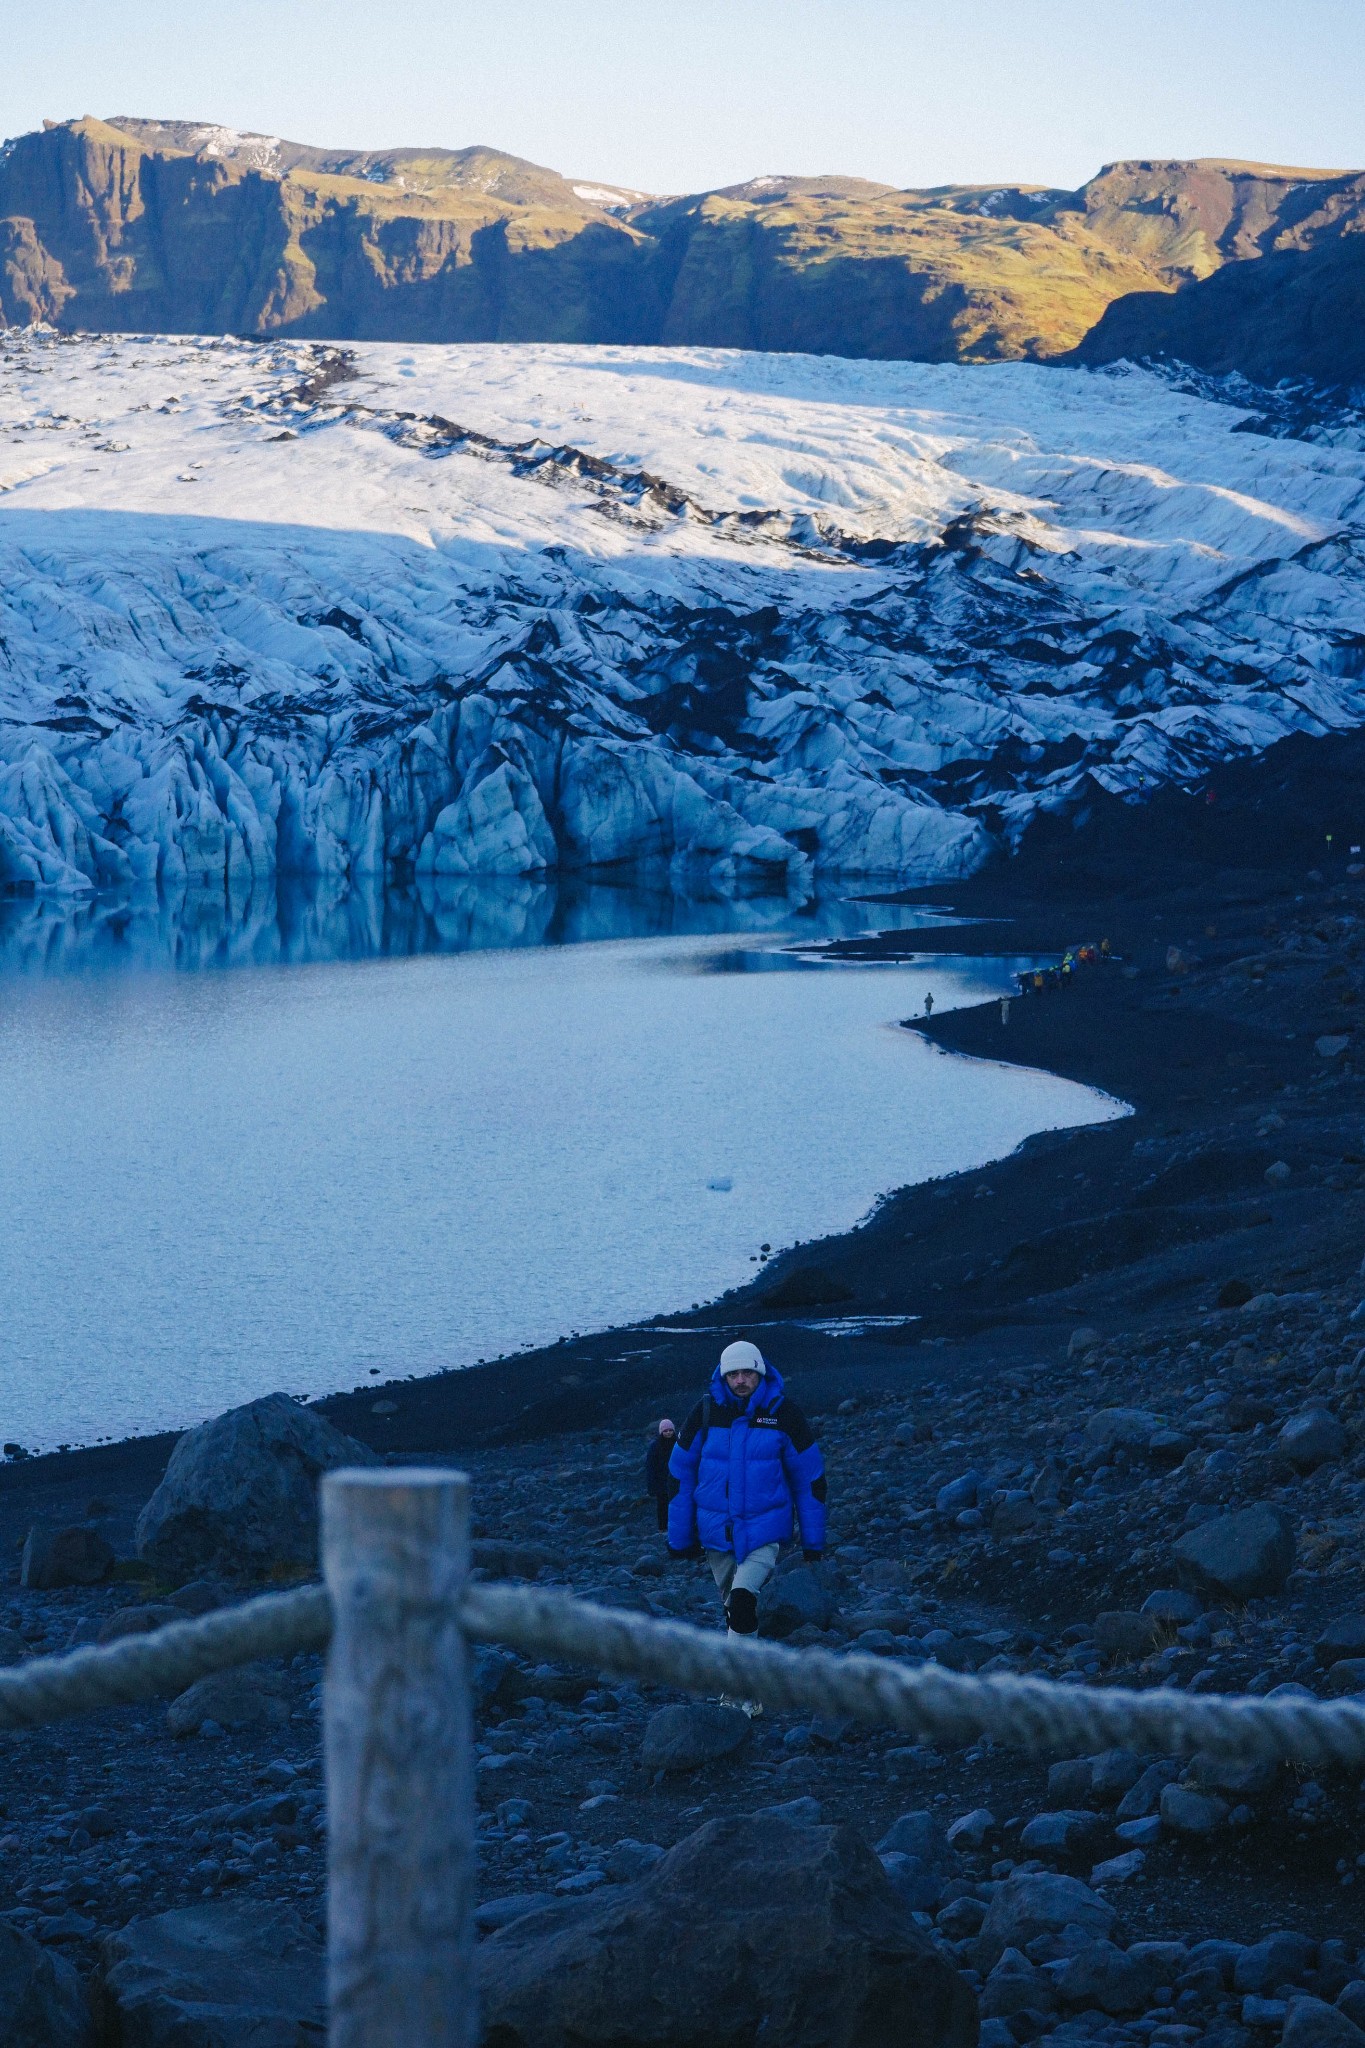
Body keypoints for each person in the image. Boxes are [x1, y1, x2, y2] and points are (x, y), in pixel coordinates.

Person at [667, 1339, 826, 1715]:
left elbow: (810, 1479)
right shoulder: (705, 1411)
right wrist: (679, 1537)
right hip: (716, 1533)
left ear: (760, 1371)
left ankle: (736, 1691)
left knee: (742, 1601)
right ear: (724, 1376)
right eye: (734, 1374)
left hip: (764, 1530)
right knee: (734, 1611)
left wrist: (813, 1542)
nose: (741, 1380)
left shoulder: (784, 1413)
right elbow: (679, 1473)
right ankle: (750, 1693)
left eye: (748, 1373)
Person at [644, 1418, 676, 1532]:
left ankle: (675, 1526)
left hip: (675, 1480)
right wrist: (652, 1486)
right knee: (662, 1505)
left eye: (670, 1430)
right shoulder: (655, 1447)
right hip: (661, 1482)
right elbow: (650, 1467)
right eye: (665, 1430)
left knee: (676, 1504)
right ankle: (663, 1528)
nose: (668, 1433)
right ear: (661, 1432)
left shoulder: (678, 1444)